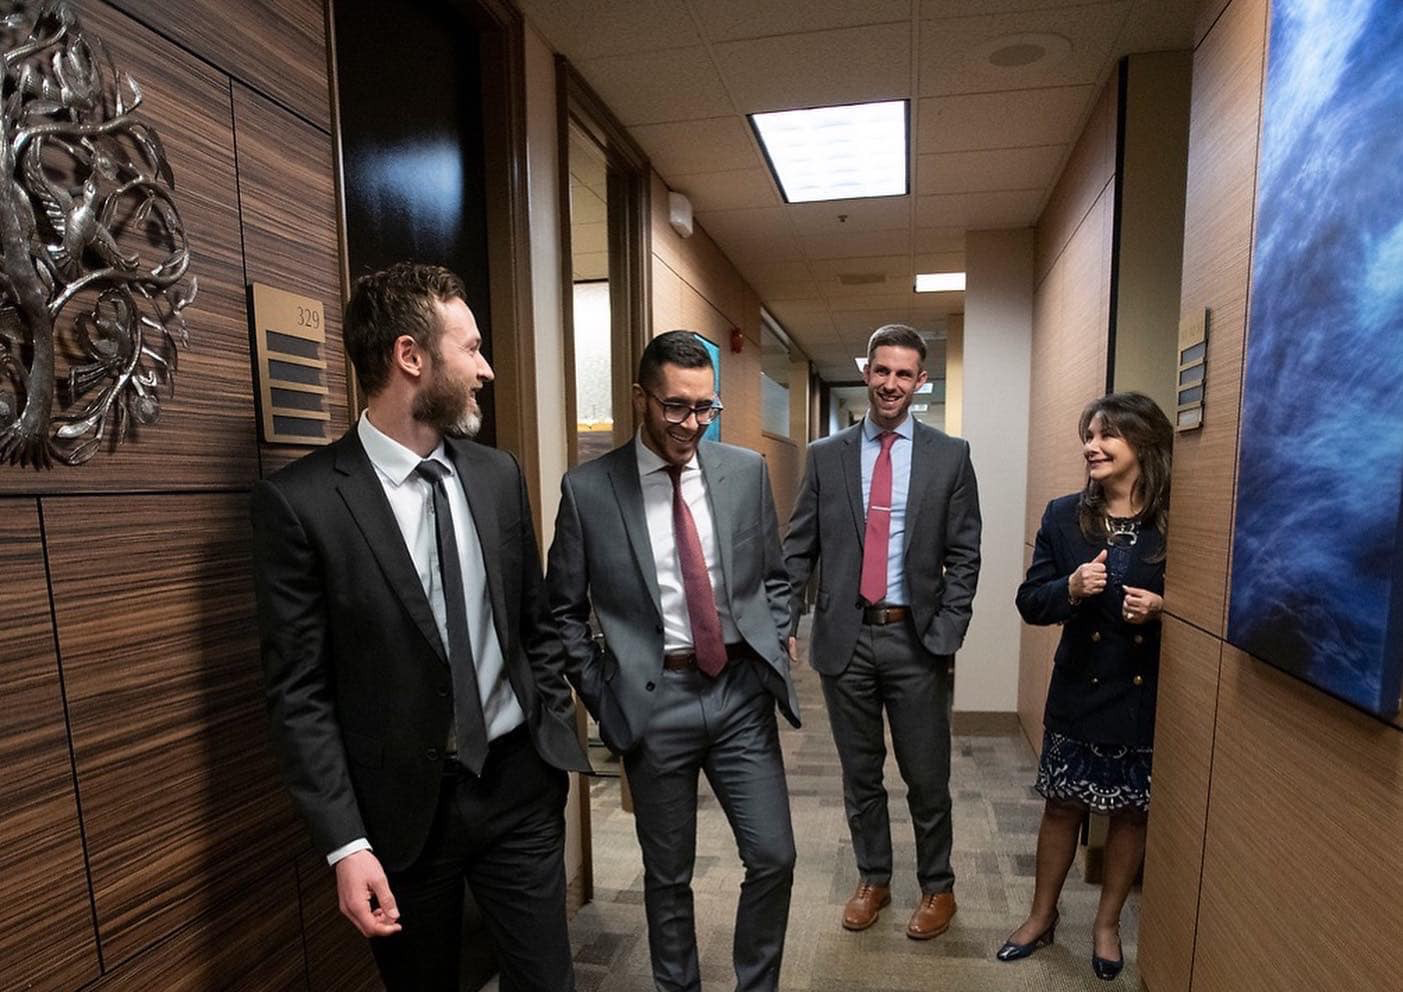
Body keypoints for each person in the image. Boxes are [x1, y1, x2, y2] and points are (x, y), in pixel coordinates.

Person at [250, 262, 589, 991]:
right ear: (410, 356)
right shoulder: (301, 504)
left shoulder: (498, 476)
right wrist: (345, 844)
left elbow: (533, 623)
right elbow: (298, 693)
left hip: (517, 786)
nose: (486, 369)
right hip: (403, 818)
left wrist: (549, 728)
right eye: (469, 348)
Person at [546, 330, 800, 992]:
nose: (692, 424)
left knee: (773, 855)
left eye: (704, 408)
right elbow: (562, 613)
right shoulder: (588, 491)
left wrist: (774, 635)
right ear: (640, 399)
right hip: (652, 700)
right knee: (668, 877)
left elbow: (773, 577)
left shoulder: (743, 472)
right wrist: (607, 695)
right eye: (675, 407)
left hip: (738, 690)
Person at [784, 324, 981, 939]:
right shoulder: (826, 455)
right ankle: (874, 877)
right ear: (866, 371)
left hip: (914, 639)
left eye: (904, 374)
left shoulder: (950, 455)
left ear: (920, 382)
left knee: (926, 773)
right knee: (860, 773)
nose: (891, 383)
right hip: (844, 640)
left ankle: (937, 887)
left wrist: (947, 630)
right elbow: (799, 549)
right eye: (881, 370)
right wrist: (782, 621)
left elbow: (965, 551)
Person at [998, 391, 1172, 981]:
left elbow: (1210, 609)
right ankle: (1040, 917)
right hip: (1079, 687)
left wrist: (1165, 607)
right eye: (1088, 436)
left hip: (1143, 692)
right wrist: (1070, 587)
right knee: (1062, 807)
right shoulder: (1064, 515)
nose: (1091, 447)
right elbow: (1030, 602)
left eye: (1106, 437)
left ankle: (1105, 926)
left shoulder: (1178, 520)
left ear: (1143, 444)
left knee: (1130, 814)